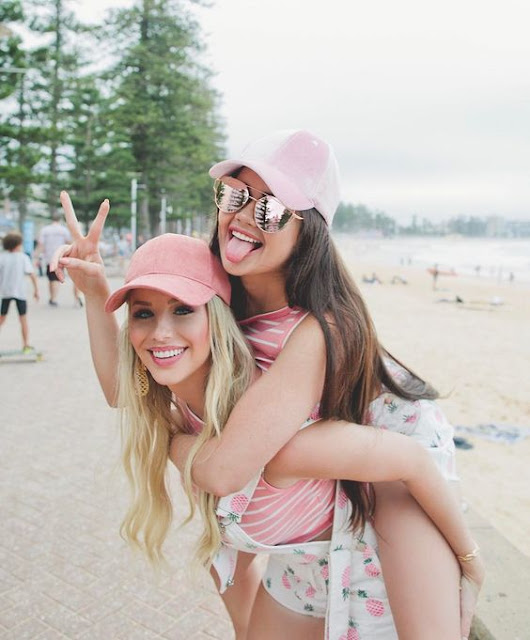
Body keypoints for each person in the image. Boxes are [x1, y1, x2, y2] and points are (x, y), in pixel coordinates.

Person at [53, 188, 483, 639]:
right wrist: (95, 293)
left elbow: (412, 459)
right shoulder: (188, 409)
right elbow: (121, 389)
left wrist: (470, 558)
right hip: (297, 567)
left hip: (370, 546)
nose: (161, 333)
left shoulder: (276, 437)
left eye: (183, 310)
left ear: (217, 323)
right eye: (143, 314)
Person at [0, 231, 39, 352]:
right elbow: (32, 275)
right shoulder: (23, 257)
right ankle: (26, 344)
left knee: (1, 318)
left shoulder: (2, 257)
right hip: (20, 293)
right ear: (18, 244)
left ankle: (26, 344)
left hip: (5, 292)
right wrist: (36, 290)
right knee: (23, 319)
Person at [36, 212, 82, 307]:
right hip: (60, 256)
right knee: (56, 278)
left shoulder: (45, 230)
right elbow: (69, 242)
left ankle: (52, 297)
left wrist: (37, 256)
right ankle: (53, 298)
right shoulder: (63, 230)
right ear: (59, 219)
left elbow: (41, 244)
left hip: (48, 257)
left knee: (51, 278)